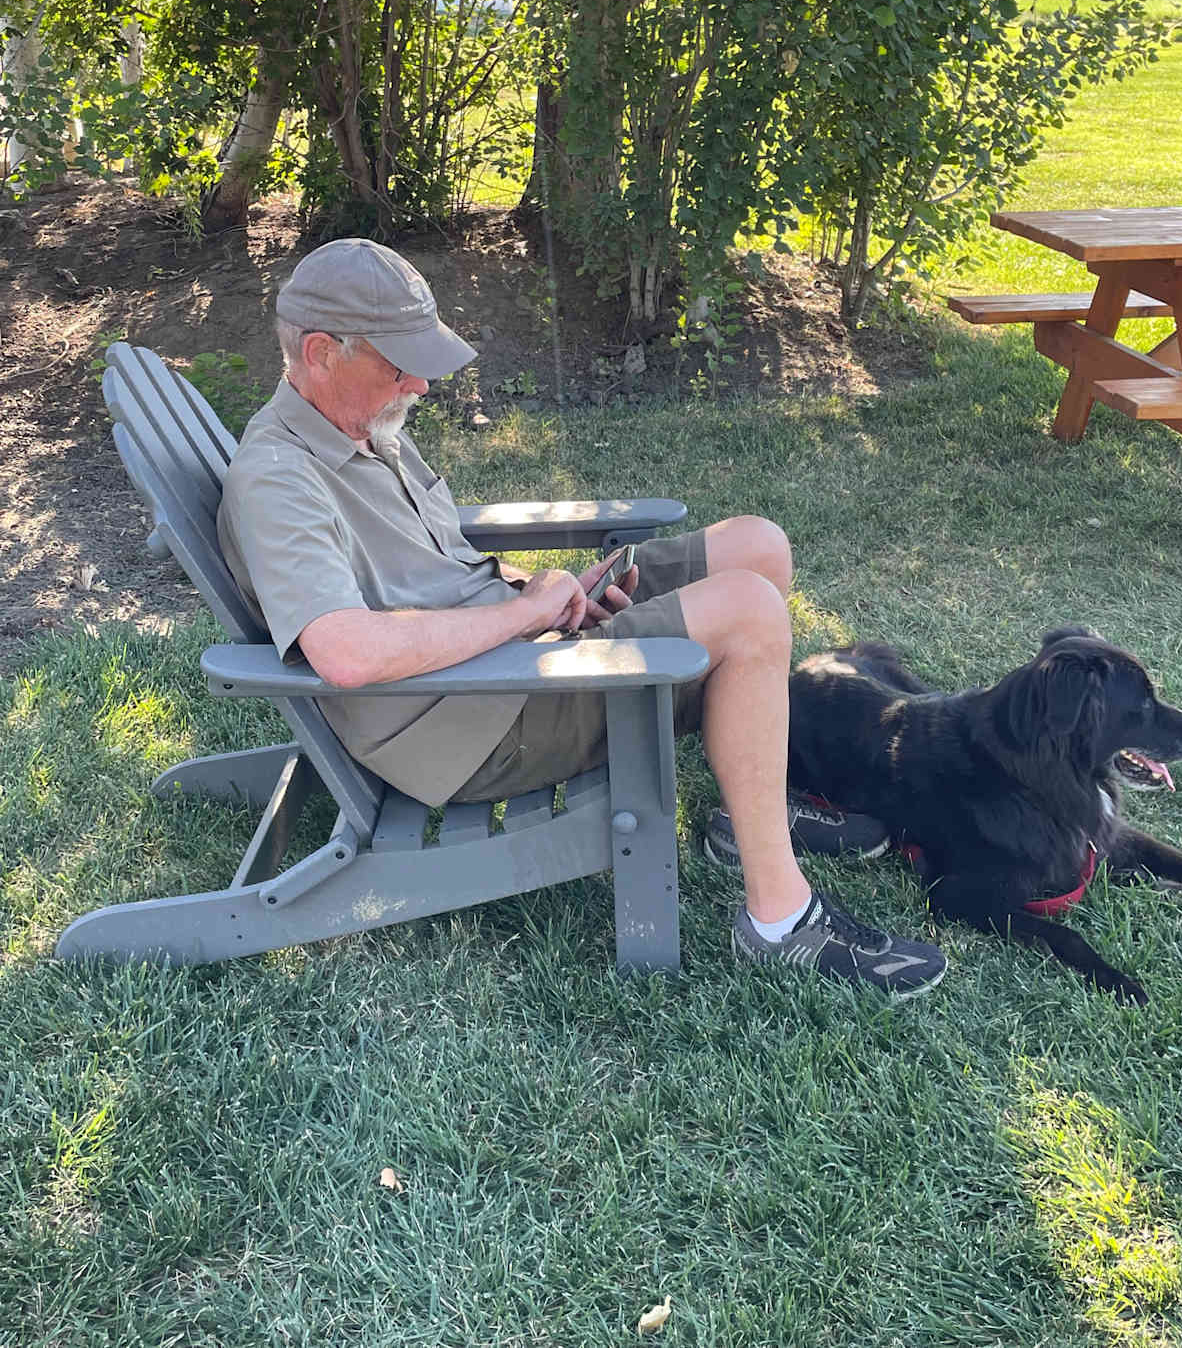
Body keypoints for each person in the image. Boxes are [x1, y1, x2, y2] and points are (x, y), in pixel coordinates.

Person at [217, 238, 947, 998]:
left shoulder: (363, 426)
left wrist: (550, 597)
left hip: (515, 657)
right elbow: (345, 652)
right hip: (474, 722)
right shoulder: (280, 480)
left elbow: (438, 572)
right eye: (399, 362)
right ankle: (781, 920)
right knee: (749, 612)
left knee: (757, 549)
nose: (423, 383)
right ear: (318, 353)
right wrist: (524, 618)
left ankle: (746, 820)